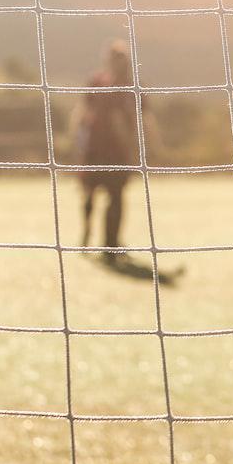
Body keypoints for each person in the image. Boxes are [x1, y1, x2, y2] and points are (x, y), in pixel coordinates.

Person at [75, 41, 180, 284]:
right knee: (98, 195)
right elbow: (90, 115)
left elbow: (145, 118)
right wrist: (132, 148)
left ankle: (109, 243)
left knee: (111, 196)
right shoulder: (100, 83)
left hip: (105, 152)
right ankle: (98, 239)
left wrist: (155, 146)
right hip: (103, 151)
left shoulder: (131, 87)